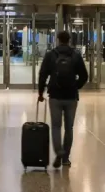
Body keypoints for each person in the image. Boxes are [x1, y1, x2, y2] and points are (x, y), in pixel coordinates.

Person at [37, 31, 89, 169]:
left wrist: (40, 92)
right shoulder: (76, 55)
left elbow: (42, 75)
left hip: (55, 95)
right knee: (69, 128)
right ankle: (66, 158)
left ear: (58, 40)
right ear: (69, 40)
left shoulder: (50, 55)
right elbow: (84, 76)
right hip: (71, 96)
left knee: (56, 126)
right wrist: (75, 86)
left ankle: (59, 151)